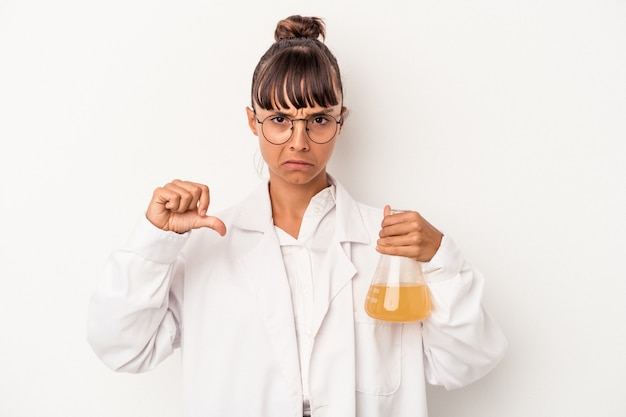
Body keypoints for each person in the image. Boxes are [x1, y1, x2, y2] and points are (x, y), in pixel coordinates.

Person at [87, 15, 507, 417]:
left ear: (341, 122)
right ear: (253, 121)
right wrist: (154, 242)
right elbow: (124, 348)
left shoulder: (389, 245)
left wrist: (440, 261)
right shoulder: (206, 245)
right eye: (280, 120)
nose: (299, 142)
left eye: (319, 120)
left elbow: (466, 362)